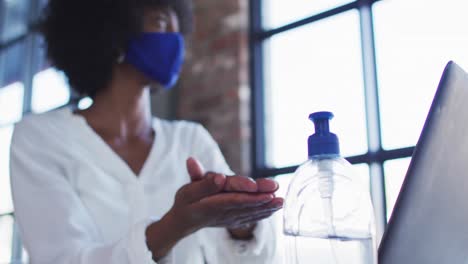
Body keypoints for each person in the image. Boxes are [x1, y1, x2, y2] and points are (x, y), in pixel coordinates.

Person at [9, 0, 283, 263]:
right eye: (161, 23)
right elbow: (63, 258)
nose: (175, 42)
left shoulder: (190, 139)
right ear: (111, 31)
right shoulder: (40, 138)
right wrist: (175, 225)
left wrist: (242, 225)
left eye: (178, 31)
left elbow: (252, 260)